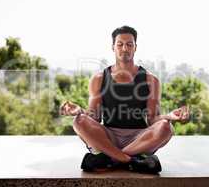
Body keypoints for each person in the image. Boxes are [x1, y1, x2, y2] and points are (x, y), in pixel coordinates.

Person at [60, 26, 189, 174]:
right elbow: (95, 117)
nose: (124, 48)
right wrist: (79, 111)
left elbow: (153, 119)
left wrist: (170, 116)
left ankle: (110, 158)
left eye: (129, 44)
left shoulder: (150, 80)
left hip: (139, 139)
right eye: (120, 44)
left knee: (166, 127)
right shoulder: (99, 78)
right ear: (113, 47)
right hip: (109, 136)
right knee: (79, 120)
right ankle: (129, 160)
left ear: (135, 47)